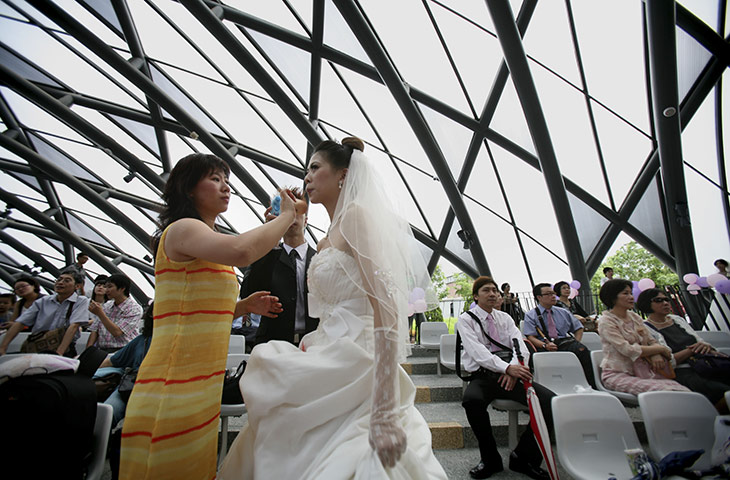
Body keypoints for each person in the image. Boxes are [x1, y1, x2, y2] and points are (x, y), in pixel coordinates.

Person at [218, 137, 447, 479]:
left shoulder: (356, 217)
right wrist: (290, 228)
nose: (306, 176)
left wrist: (384, 404)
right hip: (329, 350)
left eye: (315, 167)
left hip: (359, 359)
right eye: (306, 168)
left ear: (342, 175)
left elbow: (386, 305)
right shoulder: (328, 235)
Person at [119, 153, 300, 480]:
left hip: (200, 382)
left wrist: (243, 307)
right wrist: (287, 217)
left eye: (227, 180)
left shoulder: (204, 240)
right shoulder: (184, 228)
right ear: (188, 188)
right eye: (215, 179)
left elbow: (190, 304)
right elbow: (243, 251)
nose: (226, 187)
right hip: (174, 382)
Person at [459, 276, 554, 480]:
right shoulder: (465, 319)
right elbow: (477, 353)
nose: (493, 293)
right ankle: (490, 459)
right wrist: (506, 369)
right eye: (486, 290)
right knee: (471, 401)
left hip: (511, 373)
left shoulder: (506, 318)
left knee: (550, 403)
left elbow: (520, 345)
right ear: (475, 296)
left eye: (495, 290)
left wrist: (514, 368)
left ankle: (523, 457)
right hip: (483, 376)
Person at [241, 187, 318, 347]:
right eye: (286, 211)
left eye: (296, 210)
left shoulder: (319, 259)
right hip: (272, 344)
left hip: (315, 344)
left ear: (306, 220)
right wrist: (269, 240)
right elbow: (248, 292)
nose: (292, 217)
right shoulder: (267, 254)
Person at [637, 288, 730, 412]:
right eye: (658, 300)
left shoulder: (677, 320)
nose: (665, 303)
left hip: (705, 363)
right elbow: (667, 363)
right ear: (647, 304)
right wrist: (691, 351)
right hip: (684, 372)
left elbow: (699, 341)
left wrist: (705, 346)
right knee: (723, 391)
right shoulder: (646, 329)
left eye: (666, 299)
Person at [596, 279, 689, 395]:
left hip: (645, 371)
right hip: (618, 374)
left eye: (631, 293)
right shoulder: (606, 321)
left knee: (683, 390)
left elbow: (651, 340)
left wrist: (655, 354)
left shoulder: (634, 317)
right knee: (668, 391)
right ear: (612, 297)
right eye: (625, 293)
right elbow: (627, 349)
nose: (631, 297)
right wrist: (659, 349)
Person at [523, 283, 595, 388]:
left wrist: (577, 341)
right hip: (545, 345)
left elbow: (578, 327)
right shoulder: (531, 315)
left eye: (553, 293)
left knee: (582, 350)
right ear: (539, 297)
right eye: (548, 294)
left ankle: (590, 385)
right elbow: (531, 337)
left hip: (564, 342)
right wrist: (544, 345)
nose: (553, 296)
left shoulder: (563, 312)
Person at [0, 271, 90, 357]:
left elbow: (74, 326)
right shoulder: (43, 301)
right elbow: (20, 323)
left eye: (67, 281)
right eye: (59, 280)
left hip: (64, 347)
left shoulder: (80, 301)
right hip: (38, 344)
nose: (60, 283)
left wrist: (59, 353)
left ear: (77, 286)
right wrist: (3, 347)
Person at [87, 274, 143, 353]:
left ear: (122, 288)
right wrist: (88, 350)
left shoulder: (134, 309)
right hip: (102, 350)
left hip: (123, 351)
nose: (107, 290)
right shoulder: (107, 305)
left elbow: (117, 332)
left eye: (110, 287)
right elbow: (95, 330)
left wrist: (100, 313)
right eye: (106, 287)